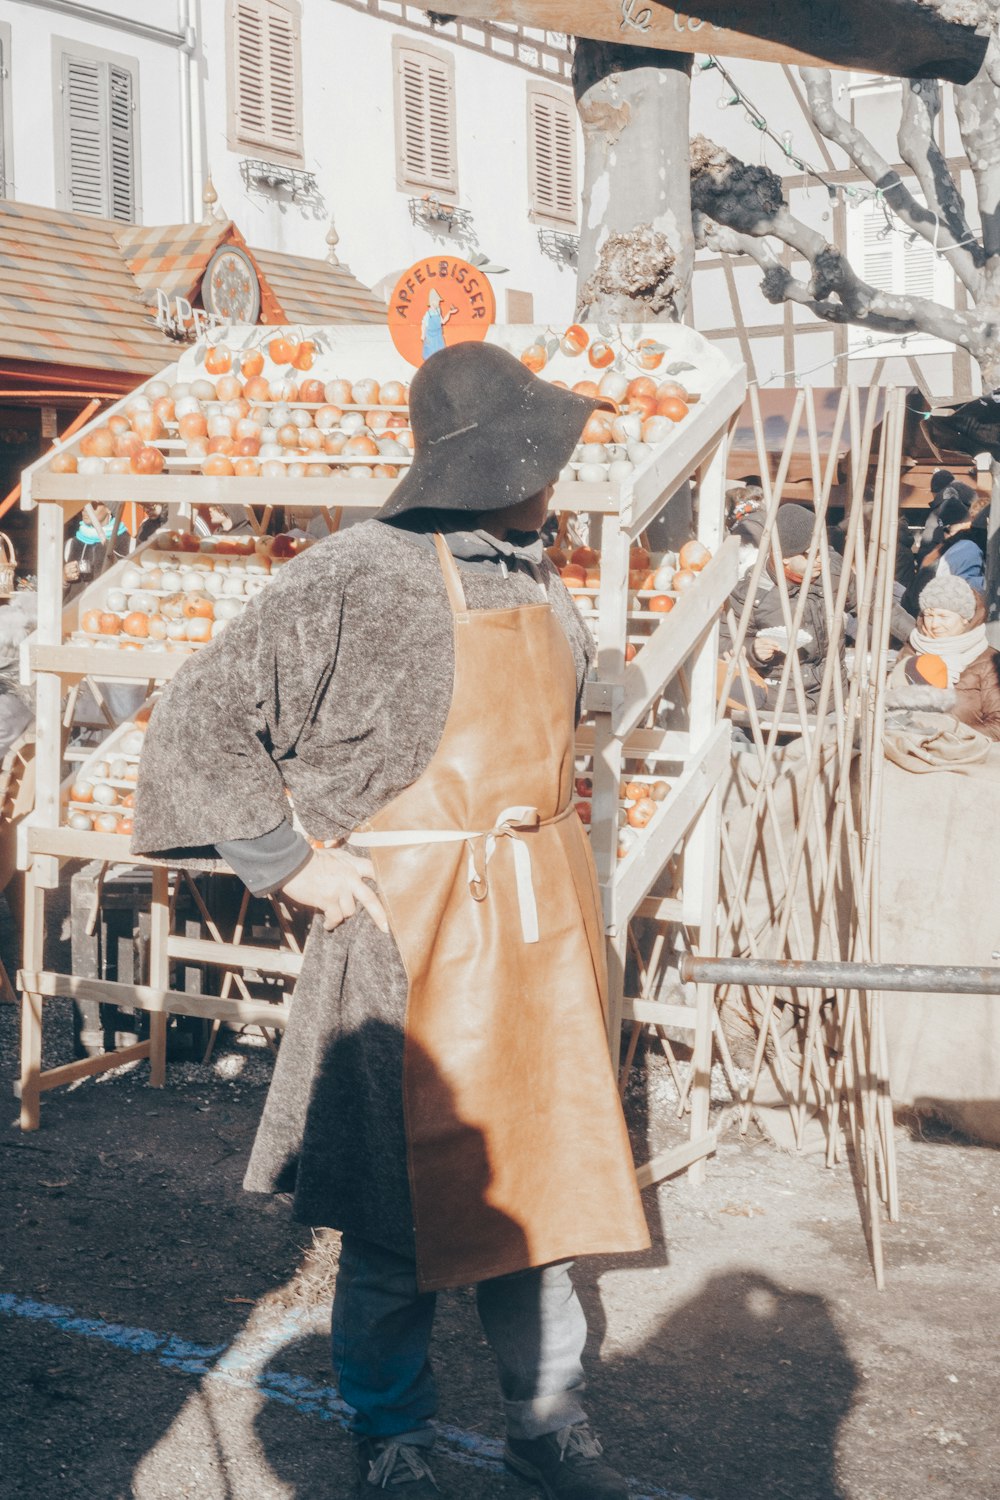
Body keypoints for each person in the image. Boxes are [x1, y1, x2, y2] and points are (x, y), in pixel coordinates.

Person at [131, 342, 650, 1498]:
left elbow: (572, 707)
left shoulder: (535, 572)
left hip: (536, 927)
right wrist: (284, 860)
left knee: (543, 1189)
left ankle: (544, 1424)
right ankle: (392, 1429)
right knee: (394, 1216)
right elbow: (204, 711)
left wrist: (596, 707)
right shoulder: (356, 573)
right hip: (407, 930)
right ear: (493, 462)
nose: (553, 475)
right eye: (539, 455)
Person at [895, 575, 1000, 740]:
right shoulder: (912, 650)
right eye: (929, 615)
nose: (934, 624)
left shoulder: (989, 662)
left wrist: (948, 735)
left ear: (965, 618)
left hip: (964, 754)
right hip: (909, 745)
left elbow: (997, 726)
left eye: (943, 617)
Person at [63, 502, 131, 595]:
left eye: (93, 505)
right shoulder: (70, 545)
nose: (86, 509)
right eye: (84, 504)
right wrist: (64, 579)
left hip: (106, 607)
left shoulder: (128, 544)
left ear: (108, 509)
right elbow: (52, 593)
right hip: (75, 609)